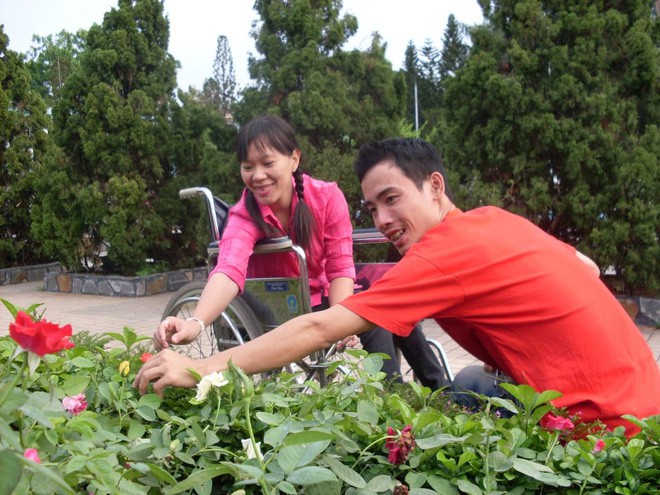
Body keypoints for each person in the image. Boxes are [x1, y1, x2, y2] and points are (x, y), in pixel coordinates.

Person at [136, 137, 660, 436]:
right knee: (474, 377)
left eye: (392, 199)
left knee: (428, 413)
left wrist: (202, 368)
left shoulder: (431, 250)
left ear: (435, 186)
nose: (382, 219)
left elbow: (324, 320)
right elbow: (586, 267)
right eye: (373, 208)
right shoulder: (494, 218)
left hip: (600, 430)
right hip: (645, 400)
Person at [151, 116, 446, 388]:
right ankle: (393, 396)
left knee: (391, 306)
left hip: (327, 298)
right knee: (376, 318)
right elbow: (228, 270)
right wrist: (196, 321)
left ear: (294, 159)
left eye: (267, 163)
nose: (258, 176)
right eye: (248, 166)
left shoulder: (327, 197)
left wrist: (344, 320)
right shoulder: (245, 215)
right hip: (282, 308)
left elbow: (341, 268)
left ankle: (439, 391)